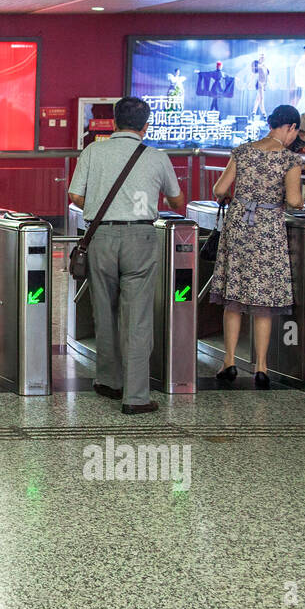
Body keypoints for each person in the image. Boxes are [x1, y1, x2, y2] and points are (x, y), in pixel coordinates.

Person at [68, 96, 187, 414]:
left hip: (101, 236)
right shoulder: (156, 156)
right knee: (137, 317)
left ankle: (108, 381)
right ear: (146, 126)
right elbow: (177, 201)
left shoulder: (94, 150)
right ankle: (135, 396)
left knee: (103, 311)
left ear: (114, 123)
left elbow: (75, 195)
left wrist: (99, 209)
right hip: (140, 238)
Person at [209, 104, 305, 390]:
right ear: (290, 127)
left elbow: (220, 189)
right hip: (267, 229)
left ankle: (229, 362)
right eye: (294, 132)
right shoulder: (290, 160)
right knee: (263, 301)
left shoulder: (243, 151)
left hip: (239, 226)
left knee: (234, 296)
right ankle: (261, 368)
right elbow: (294, 200)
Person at [251, 52, 269, 119]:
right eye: (261, 57)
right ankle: (264, 114)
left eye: (263, 57)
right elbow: (254, 74)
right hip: (259, 83)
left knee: (258, 98)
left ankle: (253, 112)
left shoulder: (265, 66)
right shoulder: (258, 65)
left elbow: (267, 76)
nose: (262, 58)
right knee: (261, 98)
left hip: (263, 84)